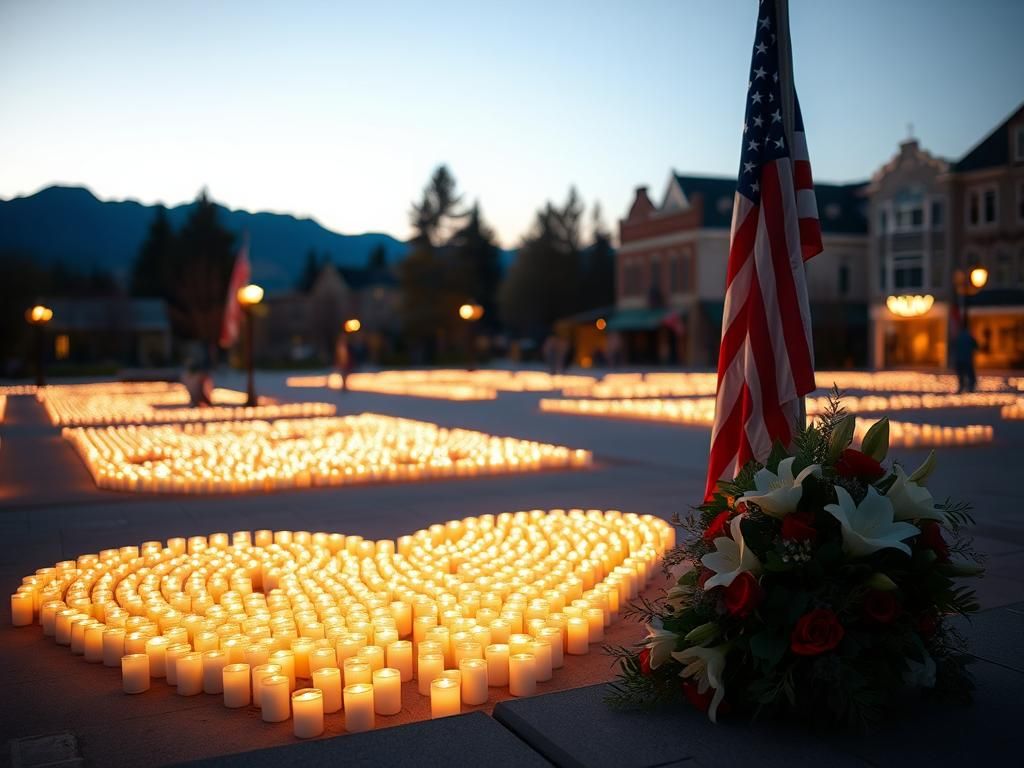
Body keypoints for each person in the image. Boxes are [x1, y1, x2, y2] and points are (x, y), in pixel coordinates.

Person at [953, 325, 978, 393]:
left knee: (961, 375)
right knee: (970, 375)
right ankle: (970, 388)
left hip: (959, 360)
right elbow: (976, 346)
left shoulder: (957, 337)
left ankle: (961, 387)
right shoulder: (970, 337)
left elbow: (954, 347)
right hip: (967, 360)